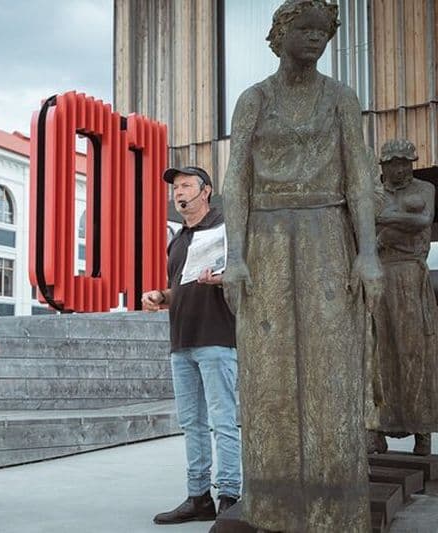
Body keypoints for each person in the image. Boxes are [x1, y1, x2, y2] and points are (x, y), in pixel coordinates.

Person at [222, 1, 383, 530]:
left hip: (326, 235)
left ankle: (336, 504)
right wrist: (234, 256)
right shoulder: (254, 99)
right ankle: (272, 502)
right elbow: (237, 180)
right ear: (280, 34)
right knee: (268, 369)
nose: (316, 39)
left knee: (331, 369)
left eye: (324, 31)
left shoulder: (340, 97)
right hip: (267, 239)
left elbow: (359, 176)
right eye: (305, 29)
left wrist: (367, 252)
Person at [142, 166, 240, 525]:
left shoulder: (226, 229)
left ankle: (230, 496)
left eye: (186, 186)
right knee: (192, 423)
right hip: (181, 341)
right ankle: (198, 498)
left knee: (223, 421)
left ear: (206, 191)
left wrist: (222, 279)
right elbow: (179, 288)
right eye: (175, 188)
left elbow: (247, 276)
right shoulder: (178, 239)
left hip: (216, 338)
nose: (179, 193)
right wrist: (159, 295)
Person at [370, 138, 438, 456]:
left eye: (406, 163)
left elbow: (422, 221)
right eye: (394, 163)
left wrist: (384, 221)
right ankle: (377, 429)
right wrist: (395, 224)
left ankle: (422, 429)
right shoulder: (373, 194)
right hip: (379, 277)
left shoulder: (424, 189)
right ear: (383, 166)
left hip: (410, 276)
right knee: (378, 353)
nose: (401, 169)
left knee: (415, 351)